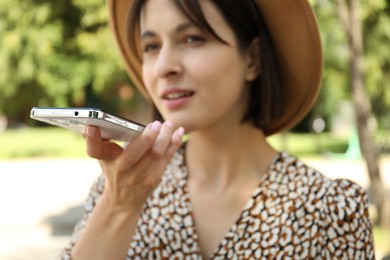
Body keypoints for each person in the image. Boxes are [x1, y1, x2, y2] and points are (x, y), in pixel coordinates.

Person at [61, 0, 375, 259]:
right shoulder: (118, 187)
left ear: (252, 58)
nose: (163, 66)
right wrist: (119, 206)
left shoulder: (331, 210)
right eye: (151, 46)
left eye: (192, 38)